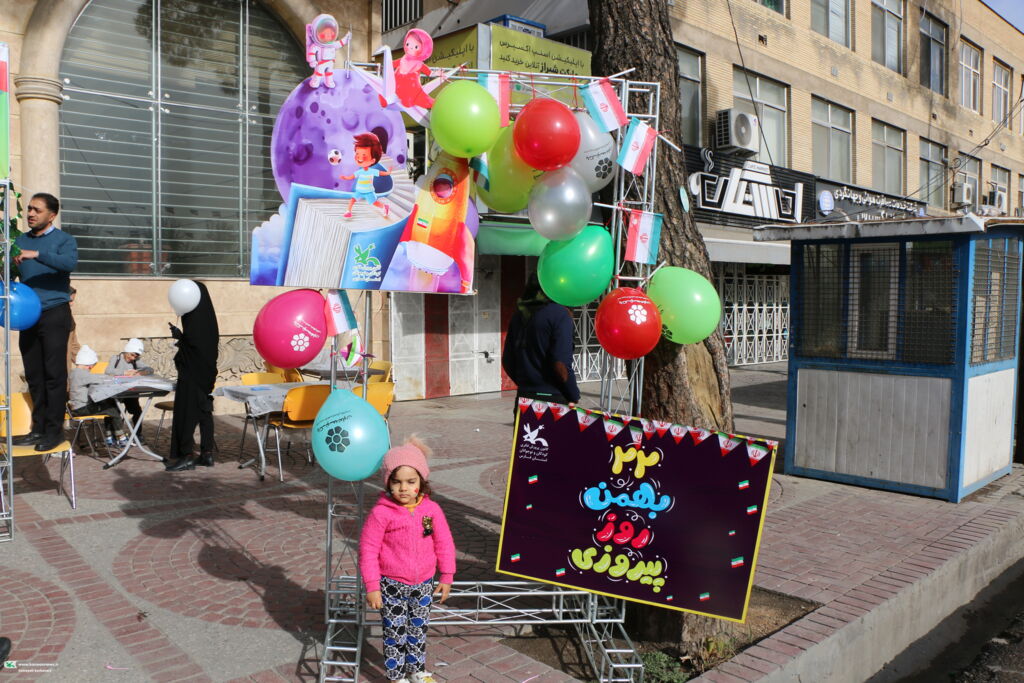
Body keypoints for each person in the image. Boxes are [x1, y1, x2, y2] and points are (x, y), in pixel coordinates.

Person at [359, 437, 455, 683]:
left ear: (421, 481)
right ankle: (397, 676)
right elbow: (368, 550)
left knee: (418, 629)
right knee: (394, 632)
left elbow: (443, 542)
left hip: (423, 583)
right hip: (391, 584)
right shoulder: (381, 513)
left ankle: (416, 670)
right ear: (387, 483)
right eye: (397, 482)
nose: (403, 488)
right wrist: (372, 586)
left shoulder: (431, 511)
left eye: (411, 482)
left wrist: (446, 575)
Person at [12, 193, 78, 452]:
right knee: (34, 375)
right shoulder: (19, 240)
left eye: (37, 210)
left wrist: (37, 254)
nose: (30, 213)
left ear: (51, 215)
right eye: (29, 209)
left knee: (54, 374)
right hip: (27, 315)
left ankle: (54, 431)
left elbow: (69, 263)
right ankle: (37, 429)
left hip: (54, 313)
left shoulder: (64, 240)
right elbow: (11, 272)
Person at [501, 273, 581, 408]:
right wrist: (573, 394)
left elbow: (507, 361)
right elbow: (560, 364)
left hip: (524, 399)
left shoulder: (519, 315)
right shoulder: (560, 314)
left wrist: (526, 385)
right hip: (553, 401)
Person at [165, 282, 218, 471]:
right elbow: (200, 347)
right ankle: (207, 453)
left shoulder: (194, 324)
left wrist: (181, 339)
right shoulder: (209, 322)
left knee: (186, 412)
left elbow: (193, 349)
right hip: (206, 375)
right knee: (204, 412)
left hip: (192, 375)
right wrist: (182, 337)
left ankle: (186, 455)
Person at [68, 345, 127, 446]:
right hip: (82, 409)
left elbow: (93, 377)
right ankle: (120, 437)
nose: (91, 369)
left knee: (108, 404)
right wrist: (114, 378)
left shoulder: (73, 373)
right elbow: (98, 378)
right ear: (89, 365)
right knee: (113, 410)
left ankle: (109, 436)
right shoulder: (82, 374)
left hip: (75, 408)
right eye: (91, 367)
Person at [105, 338, 154, 431]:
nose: (133, 358)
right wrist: (124, 373)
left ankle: (137, 433)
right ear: (127, 350)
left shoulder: (136, 361)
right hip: (115, 392)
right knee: (113, 411)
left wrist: (141, 373)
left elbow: (150, 369)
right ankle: (112, 433)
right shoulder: (116, 358)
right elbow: (108, 371)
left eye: (135, 356)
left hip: (129, 392)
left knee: (137, 411)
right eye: (132, 355)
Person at [340, 133, 392, 219]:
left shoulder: (372, 171)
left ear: (373, 160)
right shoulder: (360, 171)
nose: (359, 158)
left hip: (369, 192)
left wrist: (388, 173)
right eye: (357, 154)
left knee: (374, 203)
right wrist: (345, 178)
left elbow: (380, 173)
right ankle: (348, 212)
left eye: (364, 155)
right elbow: (352, 176)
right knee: (352, 200)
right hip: (359, 191)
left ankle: (384, 207)